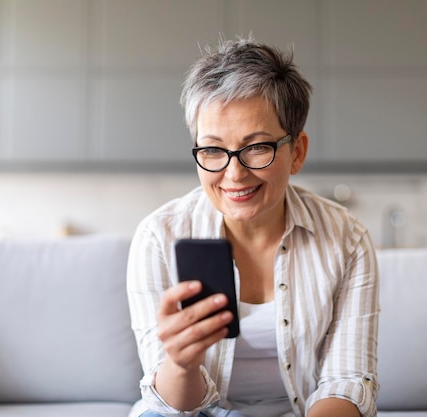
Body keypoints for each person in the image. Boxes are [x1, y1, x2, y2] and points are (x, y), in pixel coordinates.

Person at [126, 36, 379, 417]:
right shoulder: (158, 237)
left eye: (257, 147)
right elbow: (174, 407)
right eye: (212, 149)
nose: (234, 174)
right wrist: (181, 365)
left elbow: (346, 380)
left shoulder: (347, 239)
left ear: (297, 152)